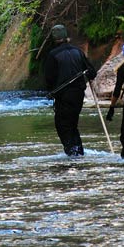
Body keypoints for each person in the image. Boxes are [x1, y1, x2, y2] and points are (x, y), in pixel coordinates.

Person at [43, 24, 97, 157]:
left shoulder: (53, 54)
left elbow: (49, 79)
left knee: (63, 125)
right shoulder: (78, 51)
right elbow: (92, 72)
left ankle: (73, 153)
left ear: (54, 39)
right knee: (72, 124)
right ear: (66, 37)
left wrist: (51, 91)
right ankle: (78, 151)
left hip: (64, 97)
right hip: (78, 96)